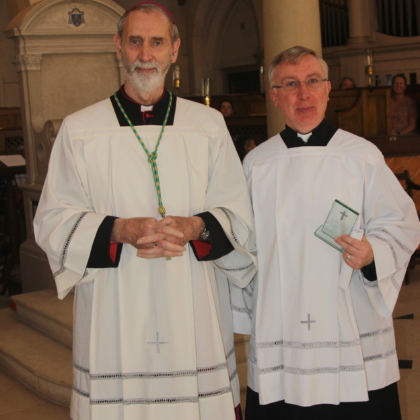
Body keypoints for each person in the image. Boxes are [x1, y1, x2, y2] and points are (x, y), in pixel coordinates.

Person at [33, 2, 256, 420]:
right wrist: (117, 230)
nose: (145, 54)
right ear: (118, 46)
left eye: (157, 42)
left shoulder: (207, 126)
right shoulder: (80, 129)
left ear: (174, 49)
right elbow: (53, 219)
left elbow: (238, 212)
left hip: (190, 293)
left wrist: (196, 226)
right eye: (135, 41)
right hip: (115, 301)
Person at [243, 46, 420, 420]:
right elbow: (241, 240)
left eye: (311, 82)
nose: (303, 94)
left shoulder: (361, 155)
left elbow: (401, 222)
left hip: (349, 316)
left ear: (327, 90)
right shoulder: (257, 163)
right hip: (283, 319)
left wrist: (373, 253)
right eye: (290, 85)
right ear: (274, 96)